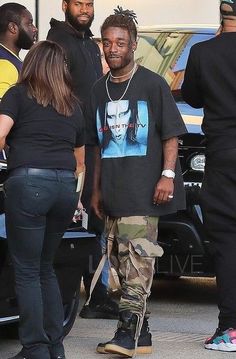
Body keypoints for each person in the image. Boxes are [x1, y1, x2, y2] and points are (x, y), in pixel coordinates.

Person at [88, 6, 187, 357]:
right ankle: (142, 335)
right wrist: (96, 189)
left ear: (133, 47)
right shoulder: (98, 90)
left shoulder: (153, 84)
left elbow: (171, 135)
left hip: (145, 193)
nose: (112, 48)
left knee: (136, 266)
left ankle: (126, 335)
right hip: (113, 193)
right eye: (107, 42)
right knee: (116, 268)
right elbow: (97, 147)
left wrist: (168, 175)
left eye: (120, 42)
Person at [0, 40, 85, 359]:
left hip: (29, 185)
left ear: (32, 64)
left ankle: (34, 347)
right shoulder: (72, 104)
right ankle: (55, 347)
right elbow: (80, 159)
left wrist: (10, 150)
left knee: (26, 269)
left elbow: (0, 133)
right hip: (64, 189)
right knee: (45, 267)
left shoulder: (18, 95)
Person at [47, 0, 118, 319]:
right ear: (65, 5)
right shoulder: (58, 43)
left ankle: (98, 293)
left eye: (89, 3)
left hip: (95, 141)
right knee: (79, 218)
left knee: (96, 215)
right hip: (73, 146)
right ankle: (83, 294)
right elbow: (55, 93)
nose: (85, 9)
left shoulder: (89, 44)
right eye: (78, 3)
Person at [181, 0, 236, 352]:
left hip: (223, 154)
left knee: (228, 243)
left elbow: (191, 97)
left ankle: (230, 329)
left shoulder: (203, 51)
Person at [0, 2, 37, 100]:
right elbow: (4, 111)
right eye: (29, 24)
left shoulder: (11, 60)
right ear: (12, 27)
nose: (35, 29)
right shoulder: (5, 65)